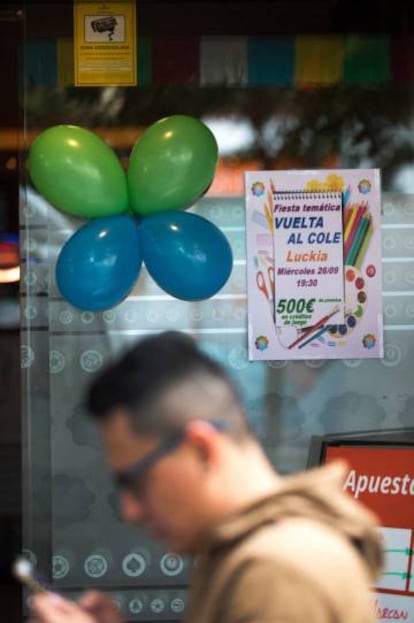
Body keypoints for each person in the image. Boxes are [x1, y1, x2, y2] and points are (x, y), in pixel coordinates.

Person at [32, 330, 382, 623]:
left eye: (136, 483)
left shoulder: (276, 573)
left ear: (201, 449)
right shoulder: (253, 552)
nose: (130, 511)